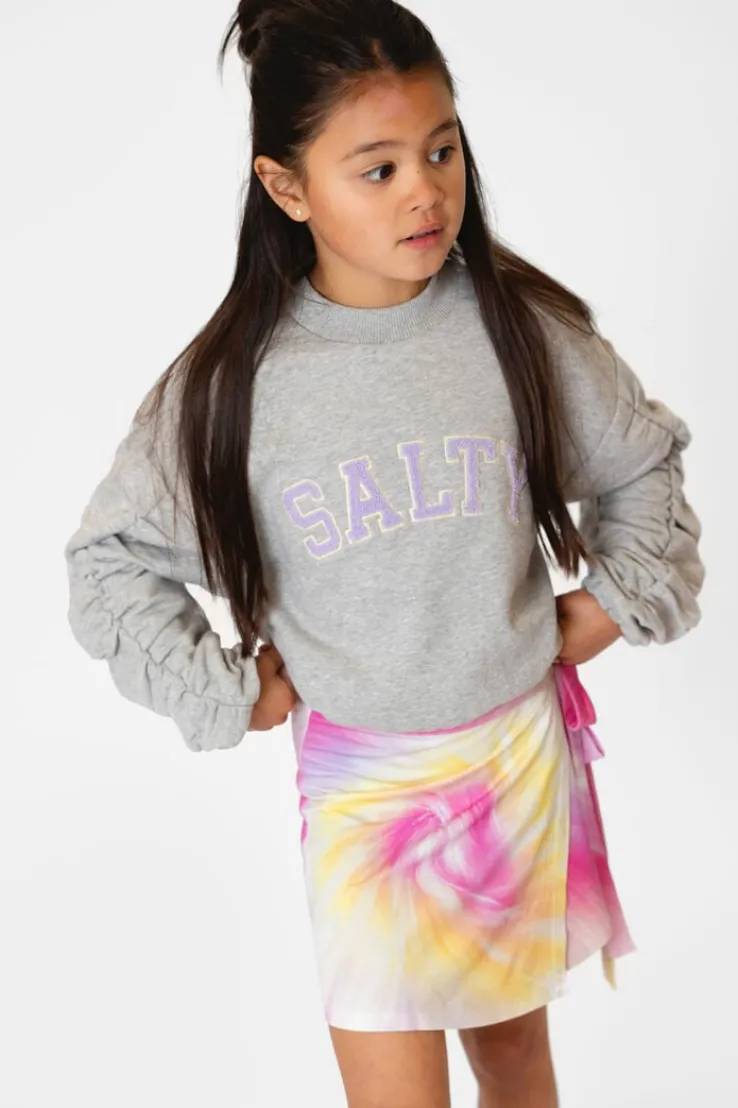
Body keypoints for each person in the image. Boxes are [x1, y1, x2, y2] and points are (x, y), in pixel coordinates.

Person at [63, 2, 705, 1105]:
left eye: (442, 150)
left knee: (515, 1061)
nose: (425, 191)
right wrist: (228, 692)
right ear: (287, 188)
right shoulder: (235, 387)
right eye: (379, 168)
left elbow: (642, 459)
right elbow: (109, 562)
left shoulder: (516, 329)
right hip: (363, 794)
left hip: (511, 759)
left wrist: (615, 598)